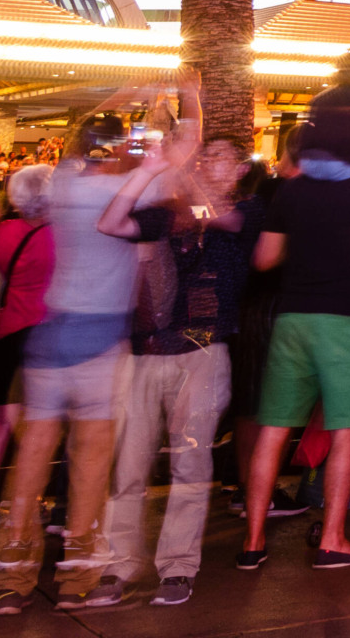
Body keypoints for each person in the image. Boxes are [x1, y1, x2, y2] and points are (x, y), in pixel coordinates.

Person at [0, 114, 155, 612]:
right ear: (119, 148)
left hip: (49, 339)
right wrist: (182, 97)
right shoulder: (132, 188)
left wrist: (122, 96)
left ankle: (11, 581)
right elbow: (175, 157)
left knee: (29, 468)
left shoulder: (62, 181)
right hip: (103, 342)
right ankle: (76, 579)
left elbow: (79, 140)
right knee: (89, 467)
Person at [240, 102, 350, 574]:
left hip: (293, 319)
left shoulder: (294, 191)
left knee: (274, 430)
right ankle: (333, 540)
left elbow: (265, 258)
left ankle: (252, 543)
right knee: (345, 430)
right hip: (347, 321)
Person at [98, 134, 256, 607]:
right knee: (128, 463)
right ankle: (116, 565)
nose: (210, 163)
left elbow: (218, 217)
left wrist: (185, 177)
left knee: (191, 462)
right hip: (146, 351)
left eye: (221, 157)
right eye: (205, 155)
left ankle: (178, 567)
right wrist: (148, 170)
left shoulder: (248, 213)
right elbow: (110, 223)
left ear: (241, 170)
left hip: (204, 349)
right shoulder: (169, 214)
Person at [0, 163, 52, 536]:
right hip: (44, 334)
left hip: (7, 333)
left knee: (0, 422)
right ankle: (27, 503)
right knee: (36, 427)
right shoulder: (59, 235)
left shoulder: (3, 231)